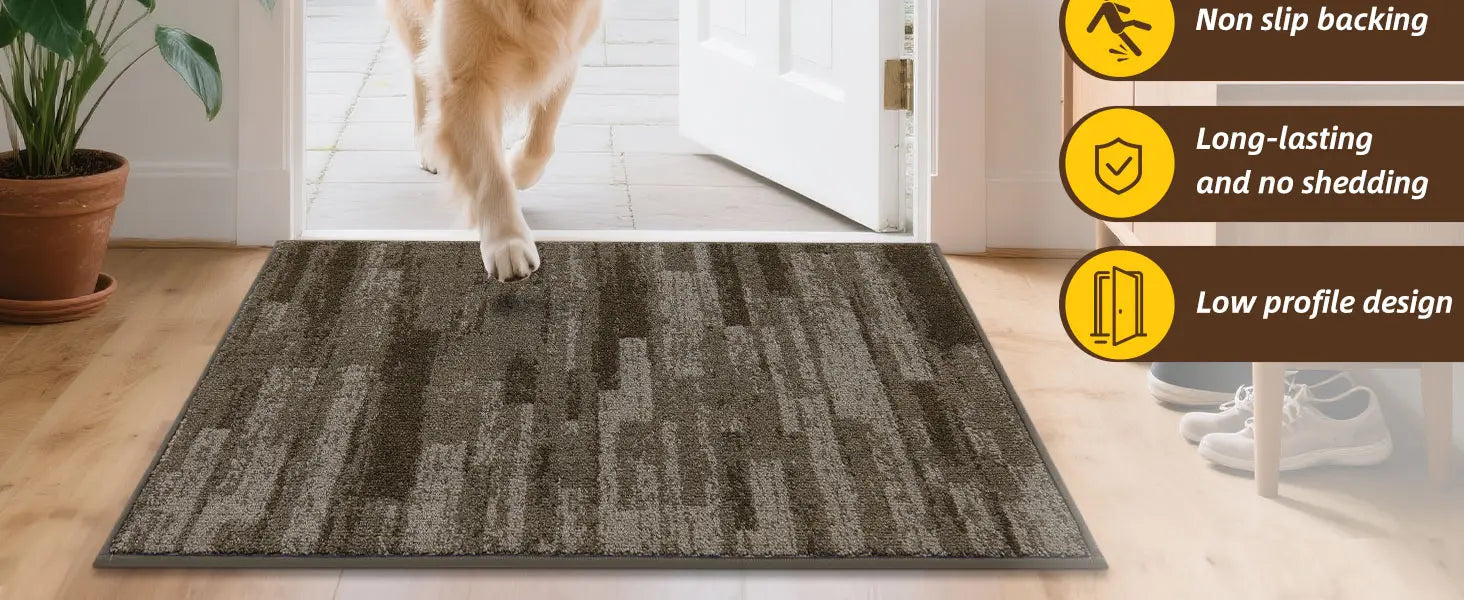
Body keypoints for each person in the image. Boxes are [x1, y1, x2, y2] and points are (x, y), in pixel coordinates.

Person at [1086, 2, 1152, 56]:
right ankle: (1148, 28)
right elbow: (1126, 10)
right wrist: (1090, 28)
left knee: (1128, 31)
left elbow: (1126, 10)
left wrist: (1090, 28)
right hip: (1118, 26)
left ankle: (1138, 52)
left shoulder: (1109, 5)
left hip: (1117, 27)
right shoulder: (1108, 5)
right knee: (1132, 24)